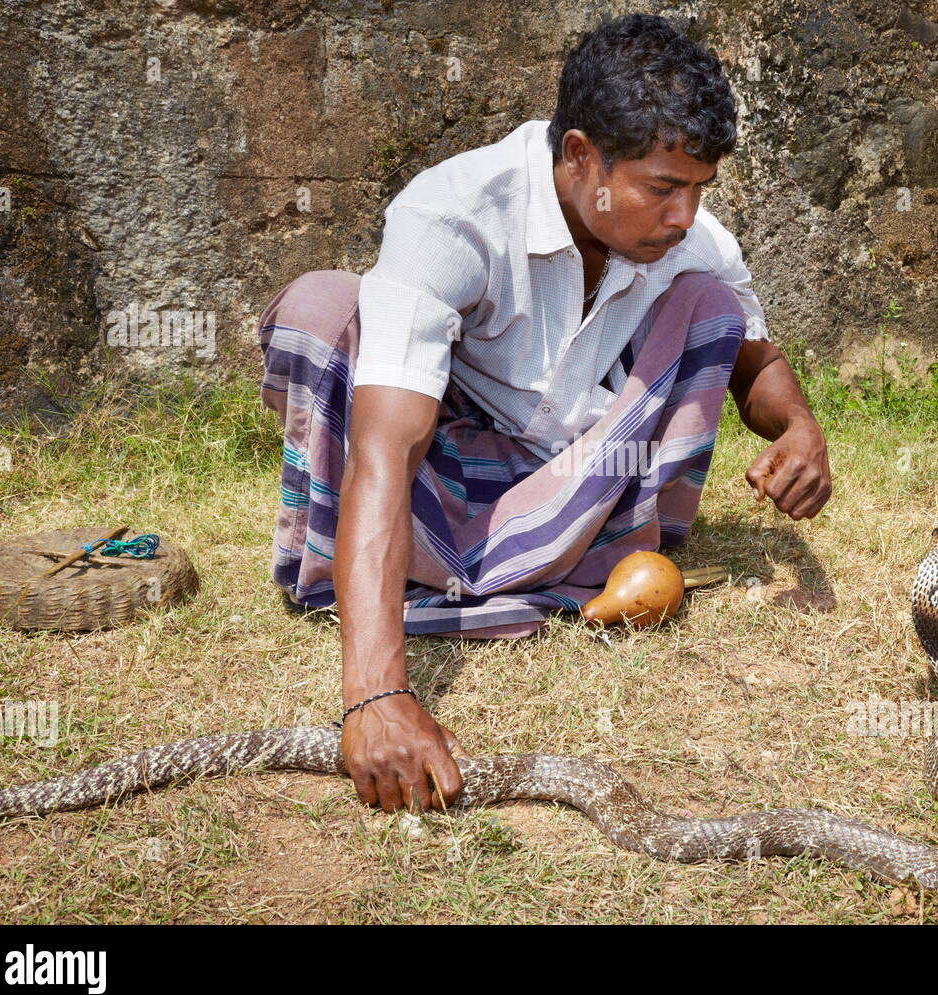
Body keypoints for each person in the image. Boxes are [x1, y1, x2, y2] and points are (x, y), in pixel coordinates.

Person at [257, 13, 832, 817]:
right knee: (323, 308)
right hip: (445, 479)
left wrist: (798, 427)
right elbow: (385, 455)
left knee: (709, 304)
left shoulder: (690, 242)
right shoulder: (451, 216)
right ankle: (419, 581)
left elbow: (757, 365)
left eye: (699, 189)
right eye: (663, 188)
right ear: (579, 158)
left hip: (590, 491)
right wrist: (375, 694)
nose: (683, 215)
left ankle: (579, 562)